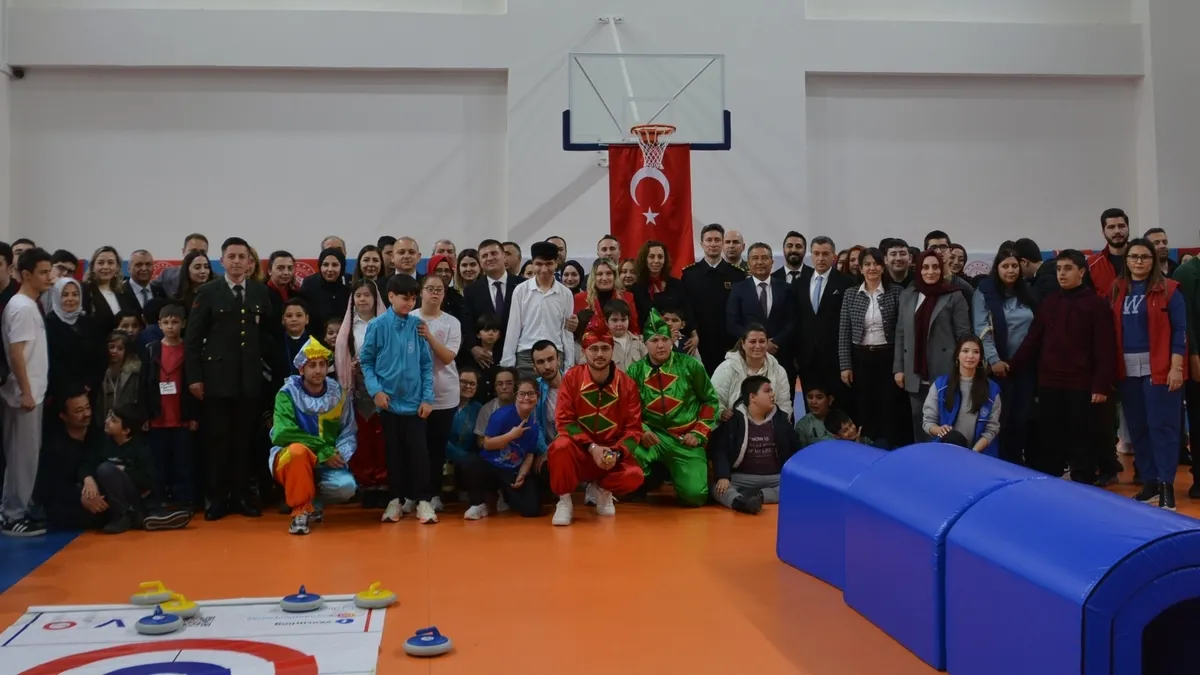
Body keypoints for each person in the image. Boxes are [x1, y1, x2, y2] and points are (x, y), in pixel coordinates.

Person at [184, 237, 273, 521]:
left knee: (243, 442)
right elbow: (192, 340)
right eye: (231, 256)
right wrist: (194, 378)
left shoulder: (260, 292)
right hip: (217, 381)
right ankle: (217, 498)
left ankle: (241, 496)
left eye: (241, 257)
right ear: (221, 261)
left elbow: (268, 336)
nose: (236, 262)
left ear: (250, 262)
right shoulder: (208, 292)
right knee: (217, 442)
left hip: (249, 381)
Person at [1011, 250, 1117, 483]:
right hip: (1050, 383)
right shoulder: (1049, 303)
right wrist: (1012, 367)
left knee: (1082, 440)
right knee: (1050, 439)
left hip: (1082, 384)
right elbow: (1032, 341)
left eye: (1068, 268)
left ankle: (1083, 485)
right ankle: (1051, 487)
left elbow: (1105, 348)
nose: (1062, 274)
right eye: (1059, 269)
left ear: (1081, 272)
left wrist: (1101, 385)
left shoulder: (1096, 305)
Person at [546, 313, 645, 526]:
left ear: (612, 350)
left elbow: (634, 430)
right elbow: (564, 422)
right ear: (584, 351)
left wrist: (616, 453)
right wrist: (592, 448)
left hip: (610, 454)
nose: (599, 354)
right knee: (559, 447)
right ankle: (564, 500)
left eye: (605, 348)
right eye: (594, 349)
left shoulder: (627, 384)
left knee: (634, 475)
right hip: (580, 452)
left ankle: (602, 488)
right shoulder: (572, 378)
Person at [1110, 239, 1186, 511]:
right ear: (1126, 260)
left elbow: (1180, 331)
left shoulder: (1169, 288)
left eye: (1145, 256)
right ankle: (1150, 482)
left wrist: (1176, 367)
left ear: (1153, 260)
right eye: (1134, 256)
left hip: (1160, 368)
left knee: (1162, 427)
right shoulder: (1117, 288)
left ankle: (1167, 485)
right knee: (1138, 427)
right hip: (1127, 370)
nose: (1139, 261)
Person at [359, 274, 437, 524]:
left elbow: (426, 365)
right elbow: (366, 362)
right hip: (388, 403)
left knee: (419, 453)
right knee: (393, 453)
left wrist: (427, 398)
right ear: (391, 296)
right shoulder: (377, 326)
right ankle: (395, 500)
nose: (409, 303)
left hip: (415, 404)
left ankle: (423, 501)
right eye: (405, 298)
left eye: (413, 299)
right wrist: (376, 391)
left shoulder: (418, 326)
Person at [627, 309, 720, 507]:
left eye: (664, 339)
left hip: (684, 438)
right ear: (645, 343)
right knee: (626, 454)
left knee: (695, 496)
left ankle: (678, 476)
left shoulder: (690, 366)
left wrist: (699, 432)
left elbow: (710, 401)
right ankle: (648, 480)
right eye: (654, 340)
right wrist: (642, 430)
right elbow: (628, 409)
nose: (660, 345)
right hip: (653, 437)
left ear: (672, 341)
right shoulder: (634, 371)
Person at [268, 337, 359, 535]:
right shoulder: (287, 394)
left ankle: (313, 503)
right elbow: (282, 432)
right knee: (298, 452)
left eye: (322, 365)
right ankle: (300, 511)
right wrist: (322, 448)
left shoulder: (338, 394)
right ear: (302, 369)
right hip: (291, 460)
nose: (318, 370)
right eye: (312, 365)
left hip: (326, 461)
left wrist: (339, 454)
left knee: (346, 487)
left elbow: (348, 430)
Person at [894, 250, 971, 441]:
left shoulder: (954, 295)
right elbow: (901, 333)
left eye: (935, 267)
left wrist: (963, 369)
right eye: (925, 267)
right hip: (914, 371)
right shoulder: (908, 295)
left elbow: (963, 336)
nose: (930, 272)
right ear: (919, 270)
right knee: (919, 421)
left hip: (945, 370)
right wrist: (899, 368)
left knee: (945, 423)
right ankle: (923, 458)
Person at [2, 247, 52, 536]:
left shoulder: (28, 305)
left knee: (23, 456)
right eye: (43, 273)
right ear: (26, 274)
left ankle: (14, 508)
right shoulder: (22, 307)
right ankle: (13, 515)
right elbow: (16, 352)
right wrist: (26, 391)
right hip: (24, 395)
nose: (49, 277)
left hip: (31, 391)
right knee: (23, 457)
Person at [82, 403, 192, 534]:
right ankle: (142, 518)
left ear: (126, 430)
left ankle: (127, 516)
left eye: (113, 420)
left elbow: (149, 480)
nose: (107, 421)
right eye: (108, 417)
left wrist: (124, 470)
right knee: (86, 485)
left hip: (135, 497)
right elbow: (86, 463)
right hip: (108, 499)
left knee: (105, 469)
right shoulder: (102, 443)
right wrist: (88, 479)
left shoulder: (140, 448)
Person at [973, 248, 1039, 465]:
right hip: (998, 368)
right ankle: (998, 464)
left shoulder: (1027, 292)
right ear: (997, 268)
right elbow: (982, 329)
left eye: (1014, 266)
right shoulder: (984, 292)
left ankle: (1016, 462)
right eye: (1005, 266)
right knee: (1000, 419)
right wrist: (994, 360)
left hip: (1025, 367)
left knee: (1021, 418)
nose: (1010, 270)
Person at [709, 376, 800, 515]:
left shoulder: (781, 420)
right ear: (753, 397)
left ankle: (760, 497)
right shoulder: (734, 420)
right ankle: (740, 503)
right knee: (717, 486)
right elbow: (720, 449)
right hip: (741, 477)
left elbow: (795, 448)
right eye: (767, 391)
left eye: (772, 391)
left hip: (774, 477)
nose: (772, 394)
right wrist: (723, 476)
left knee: (797, 486)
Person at [141, 303, 199, 509]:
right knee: (159, 461)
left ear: (183, 324)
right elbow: (144, 384)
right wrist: (145, 415)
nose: (170, 326)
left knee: (183, 461)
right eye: (165, 322)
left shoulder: (189, 350)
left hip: (181, 415)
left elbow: (195, 384)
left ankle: (184, 499)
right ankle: (160, 498)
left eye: (175, 322)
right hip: (158, 416)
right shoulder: (151, 350)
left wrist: (193, 416)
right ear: (159, 324)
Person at [464, 377, 543, 520]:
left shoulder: (534, 426)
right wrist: (511, 435)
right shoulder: (501, 415)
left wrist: (522, 474)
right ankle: (478, 504)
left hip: (512, 470)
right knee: (471, 461)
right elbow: (487, 444)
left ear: (537, 396)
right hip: (491, 466)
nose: (526, 398)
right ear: (516, 396)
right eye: (522, 394)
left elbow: (529, 454)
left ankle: (507, 496)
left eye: (531, 394)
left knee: (532, 510)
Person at [501, 241, 576, 379]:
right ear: (533, 263)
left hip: (555, 356)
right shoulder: (521, 291)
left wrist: (569, 366)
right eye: (539, 264)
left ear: (556, 263)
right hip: (526, 356)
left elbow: (567, 332)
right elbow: (513, 328)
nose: (544, 269)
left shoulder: (565, 294)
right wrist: (508, 365)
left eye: (549, 264)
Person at [682, 223, 746, 373]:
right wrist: (692, 333)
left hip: (729, 343)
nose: (713, 244)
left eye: (717, 240)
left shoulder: (737, 275)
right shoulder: (690, 274)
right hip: (698, 342)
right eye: (709, 240)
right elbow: (686, 308)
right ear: (702, 244)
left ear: (722, 243)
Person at [922, 335, 1002, 453]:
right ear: (957, 355)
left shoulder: (992, 389)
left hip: (979, 454)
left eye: (976, 352)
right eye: (965, 351)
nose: (970, 356)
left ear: (980, 357)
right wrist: (940, 430)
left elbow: (992, 429)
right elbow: (928, 421)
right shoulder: (940, 385)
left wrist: (973, 453)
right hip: (947, 450)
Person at [794, 383, 836, 450]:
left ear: (830, 400)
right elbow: (801, 453)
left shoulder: (841, 418)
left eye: (819, 397)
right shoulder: (802, 426)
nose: (813, 402)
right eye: (810, 397)